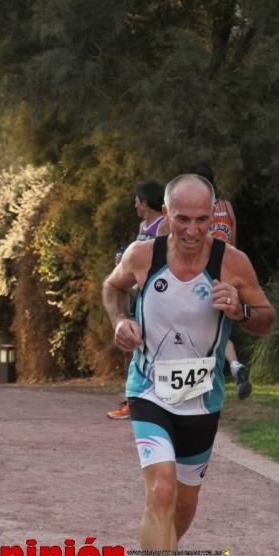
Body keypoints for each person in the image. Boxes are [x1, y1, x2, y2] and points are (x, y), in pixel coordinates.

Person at [103, 174, 274, 556]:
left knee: (185, 501)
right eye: (182, 218)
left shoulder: (232, 263)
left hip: (202, 398)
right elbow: (111, 287)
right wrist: (120, 322)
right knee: (160, 491)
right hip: (149, 390)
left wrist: (239, 310)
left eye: (202, 219)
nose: (193, 229)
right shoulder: (144, 256)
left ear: (213, 216)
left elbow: (266, 319)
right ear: (166, 212)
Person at [177, 163, 252, 400]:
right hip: (228, 270)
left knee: (195, 326)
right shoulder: (227, 207)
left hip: (205, 270)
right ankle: (235, 365)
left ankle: (197, 384)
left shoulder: (197, 212)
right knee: (218, 327)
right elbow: (234, 240)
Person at [107, 180, 167, 420]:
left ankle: (144, 400)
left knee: (152, 345)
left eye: (137, 201)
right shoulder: (144, 225)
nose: (134, 205)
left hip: (158, 294)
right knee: (135, 343)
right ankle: (136, 399)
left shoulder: (164, 226)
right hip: (139, 292)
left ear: (145, 201)